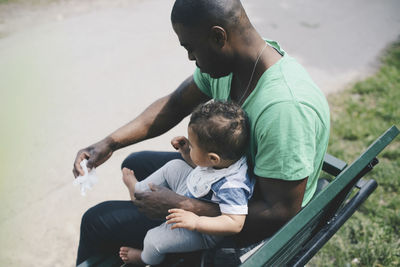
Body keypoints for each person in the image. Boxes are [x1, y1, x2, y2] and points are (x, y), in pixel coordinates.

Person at [73, 0, 330, 265]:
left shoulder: (284, 109)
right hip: (227, 185)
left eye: (190, 48)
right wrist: (109, 143)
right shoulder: (234, 63)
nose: (190, 58)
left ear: (218, 36)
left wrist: (185, 206)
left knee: (97, 220)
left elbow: (280, 212)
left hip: (243, 223)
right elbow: (175, 104)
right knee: (134, 163)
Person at [119, 101, 253, 265]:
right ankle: (138, 190)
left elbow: (234, 223)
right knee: (174, 166)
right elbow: (204, 169)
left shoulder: (231, 186)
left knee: (153, 239)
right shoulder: (225, 160)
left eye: (193, 146)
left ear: (213, 158)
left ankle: (144, 258)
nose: (190, 146)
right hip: (195, 194)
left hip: (203, 232)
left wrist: (196, 222)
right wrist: (187, 153)